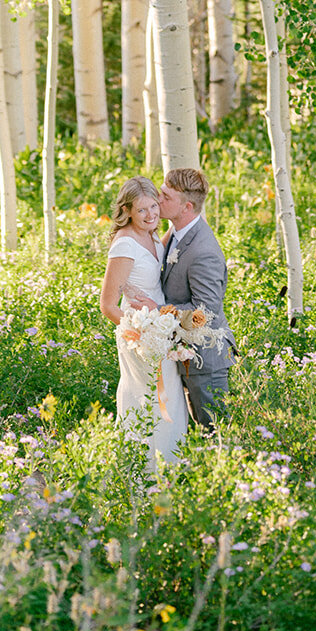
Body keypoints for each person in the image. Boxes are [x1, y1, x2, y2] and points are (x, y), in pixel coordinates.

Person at [99, 177, 188, 469]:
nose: (151, 215)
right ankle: (142, 472)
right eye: (142, 210)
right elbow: (108, 305)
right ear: (127, 211)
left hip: (160, 330)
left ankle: (170, 468)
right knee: (146, 398)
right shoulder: (125, 243)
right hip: (139, 335)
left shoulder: (150, 235)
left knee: (170, 396)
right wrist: (140, 334)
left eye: (153, 206)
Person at [158, 167, 235, 429]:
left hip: (206, 360)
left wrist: (156, 311)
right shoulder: (178, 233)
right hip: (187, 356)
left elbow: (206, 312)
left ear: (187, 207)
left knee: (217, 435)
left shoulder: (203, 251)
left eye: (166, 197)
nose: (159, 200)